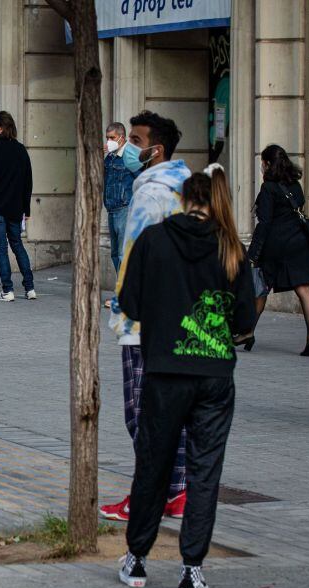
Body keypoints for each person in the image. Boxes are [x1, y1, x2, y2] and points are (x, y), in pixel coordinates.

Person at [117, 167, 255, 588]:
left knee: (153, 464)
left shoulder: (153, 240)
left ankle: (137, 559)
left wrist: (162, 316)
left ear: (182, 198)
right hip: (214, 376)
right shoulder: (231, 247)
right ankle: (191, 571)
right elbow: (245, 321)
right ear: (213, 200)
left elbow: (130, 302)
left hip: (165, 371)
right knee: (204, 472)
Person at [101, 110, 192, 522]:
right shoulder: (186, 187)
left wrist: (125, 305)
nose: (127, 148)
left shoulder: (150, 193)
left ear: (155, 150)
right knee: (165, 411)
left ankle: (150, 495)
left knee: (141, 413)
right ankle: (177, 491)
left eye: (135, 140)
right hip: (178, 314)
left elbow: (136, 257)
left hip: (146, 319)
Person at [238, 145, 309, 357]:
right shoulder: (294, 184)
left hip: (277, 246)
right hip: (299, 242)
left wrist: (253, 255)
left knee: (262, 287)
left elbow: (265, 223)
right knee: (304, 289)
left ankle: (247, 332)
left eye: (263, 163)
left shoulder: (268, 188)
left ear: (267, 164)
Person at [0, 111, 35, 301]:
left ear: (0, 128)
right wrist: (26, 209)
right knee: (17, 244)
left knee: (1, 248)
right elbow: (28, 182)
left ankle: (8, 290)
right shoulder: (21, 150)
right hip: (15, 207)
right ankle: (30, 287)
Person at [104, 122, 136, 274]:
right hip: (111, 208)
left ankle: (124, 291)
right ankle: (122, 287)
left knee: (123, 254)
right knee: (115, 254)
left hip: (125, 208)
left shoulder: (130, 156)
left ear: (121, 138)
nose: (109, 141)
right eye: (107, 138)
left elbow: (141, 179)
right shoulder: (110, 157)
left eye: (112, 137)